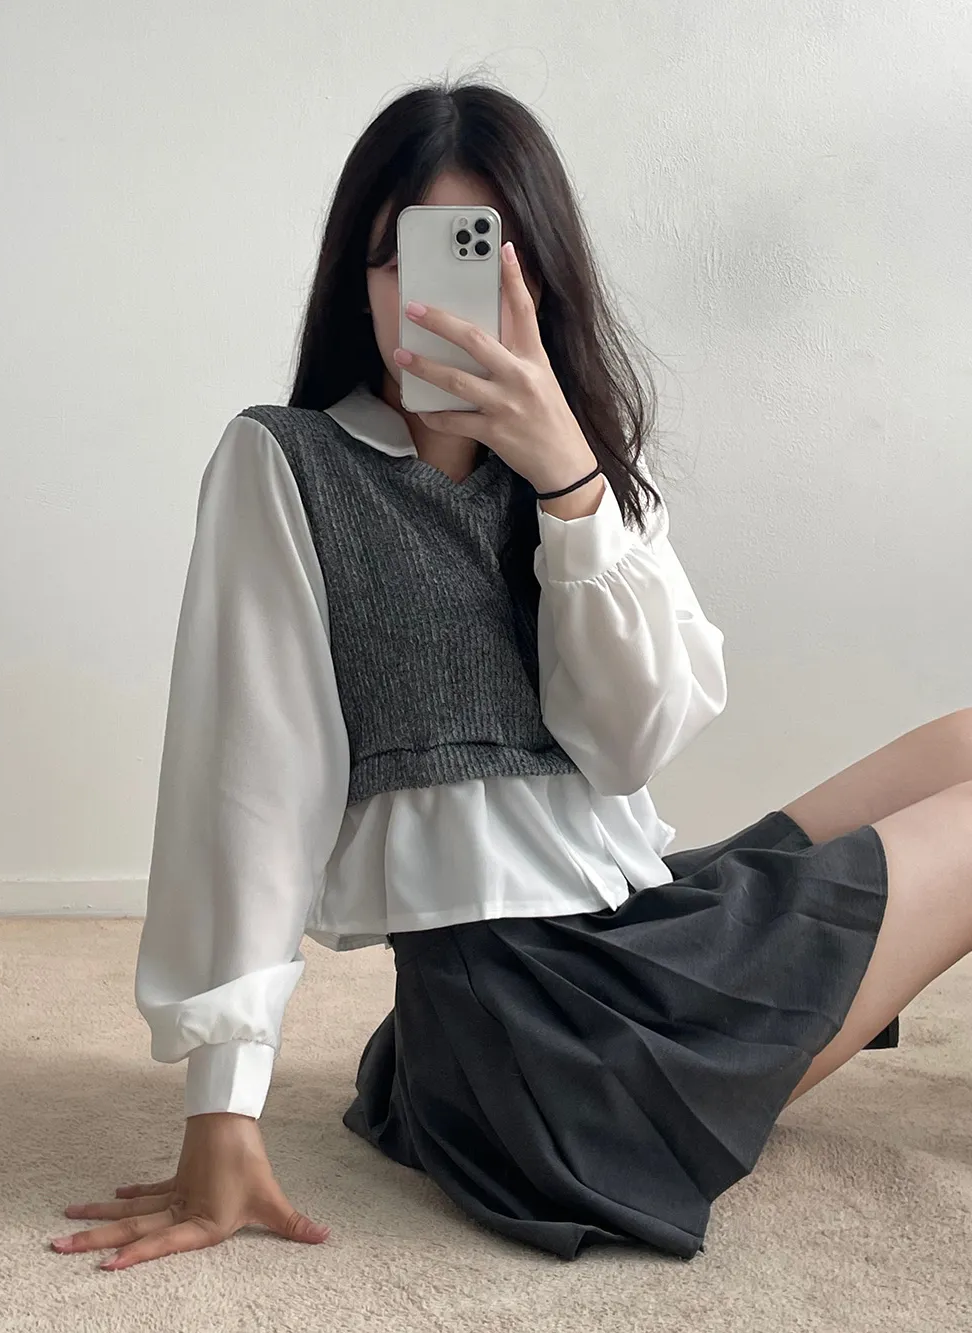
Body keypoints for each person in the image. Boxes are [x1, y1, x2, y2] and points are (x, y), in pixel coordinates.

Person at [52, 81, 972, 1271]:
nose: (431, 293)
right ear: (357, 280)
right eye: (399, 256)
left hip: (622, 938)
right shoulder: (287, 463)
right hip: (539, 1038)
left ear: (538, 279)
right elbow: (248, 788)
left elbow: (630, 745)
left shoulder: (584, 471)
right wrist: (221, 1110)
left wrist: (571, 485)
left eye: (475, 254)